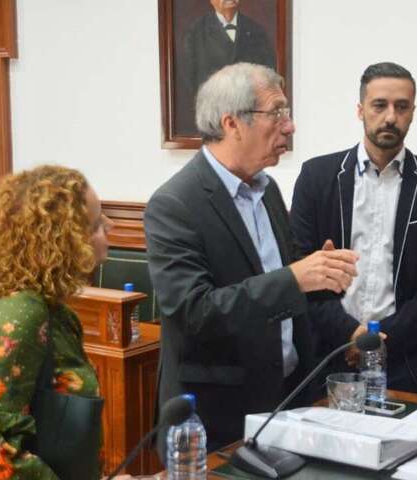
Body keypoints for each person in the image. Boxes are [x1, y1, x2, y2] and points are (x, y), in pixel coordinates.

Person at [144, 62, 359, 454]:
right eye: (276, 113)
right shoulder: (174, 205)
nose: (289, 126)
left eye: (287, 113)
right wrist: (295, 278)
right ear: (232, 123)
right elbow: (194, 312)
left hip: (287, 401)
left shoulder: (268, 189)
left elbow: (279, 283)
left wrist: (320, 275)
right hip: (218, 417)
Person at [290, 62, 417, 395]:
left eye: (401, 107)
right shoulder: (316, 177)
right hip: (327, 351)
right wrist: (352, 336)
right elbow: (298, 266)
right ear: (360, 110)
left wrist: (381, 338)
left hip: (404, 356)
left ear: (412, 112)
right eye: (379, 105)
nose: (390, 117)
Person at [0, 165, 114, 479]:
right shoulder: (22, 312)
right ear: (64, 241)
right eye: (95, 224)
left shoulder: (55, 312)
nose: (111, 226)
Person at [182, 0, 276, 99]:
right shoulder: (195, 34)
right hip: (214, 107)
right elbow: (191, 80)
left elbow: (268, 74)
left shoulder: (256, 31)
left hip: (250, 106)